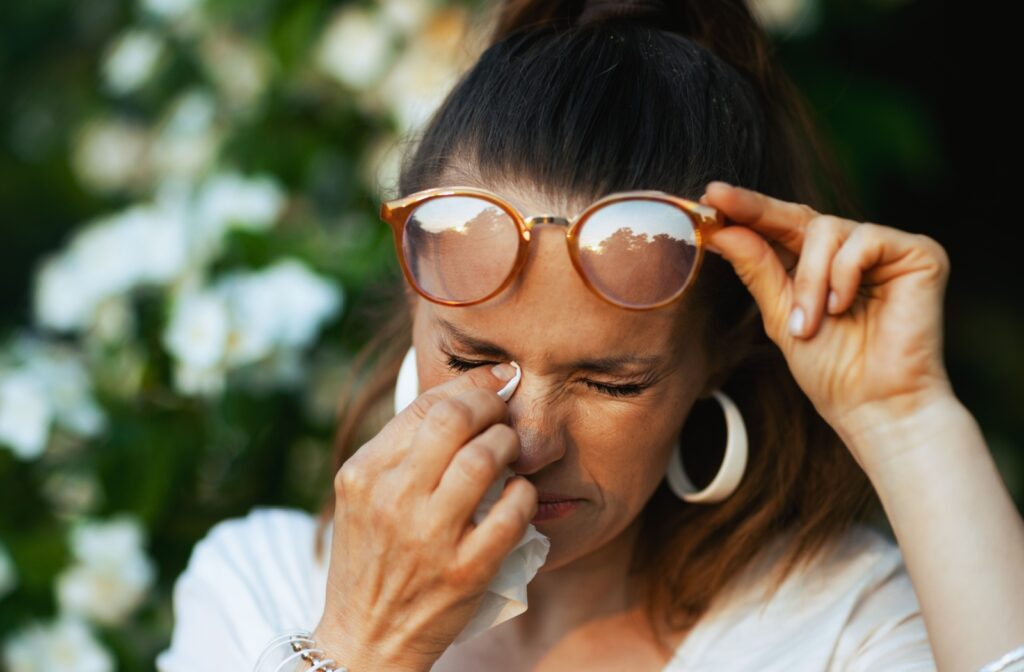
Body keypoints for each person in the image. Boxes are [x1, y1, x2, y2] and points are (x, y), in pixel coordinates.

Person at [155, 0, 1024, 670]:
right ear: (413, 307)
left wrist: (908, 420)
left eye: (611, 382)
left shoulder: (834, 618)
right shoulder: (259, 585)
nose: (530, 438)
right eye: (472, 357)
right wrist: (363, 643)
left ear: (716, 355)